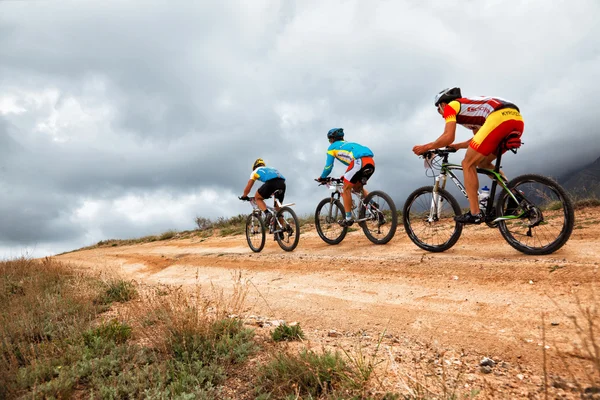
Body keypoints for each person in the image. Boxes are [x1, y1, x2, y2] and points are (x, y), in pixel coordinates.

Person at [412, 87, 524, 224]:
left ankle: (475, 213)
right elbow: (480, 140)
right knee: (482, 162)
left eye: (438, 110)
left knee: (467, 163)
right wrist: (458, 146)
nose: (441, 114)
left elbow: (448, 136)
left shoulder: (450, 107)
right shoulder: (471, 113)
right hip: (515, 119)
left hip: (499, 118)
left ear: (442, 104)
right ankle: (515, 195)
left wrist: (426, 147)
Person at [317, 128, 375, 227]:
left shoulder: (332, 148)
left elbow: (328, 167)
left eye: (329, 140)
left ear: (332, 139)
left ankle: (348, 218)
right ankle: (373, 206)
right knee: (358, 188)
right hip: (370, 162)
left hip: (358, 162)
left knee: (346, 188)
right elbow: (351, 168)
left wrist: (322, 177)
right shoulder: (348, 144)